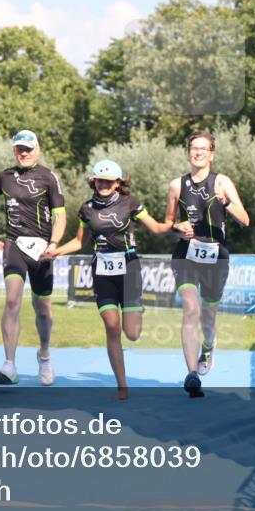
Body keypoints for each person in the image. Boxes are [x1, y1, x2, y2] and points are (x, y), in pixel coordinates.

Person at [46, 160, 172, 399]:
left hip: (129, 269)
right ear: (94, 181)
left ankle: (135, 310)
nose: (103, 184)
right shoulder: (86, 209)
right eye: (99, 180)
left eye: (108, 181)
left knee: (132, 333)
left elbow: (156, 228)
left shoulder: (131, 204)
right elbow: (78, 241)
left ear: (117, 183)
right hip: (102, 271)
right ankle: (122, 385)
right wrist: (55, 251)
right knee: (112, 327)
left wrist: (175, 225)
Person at [165, 130, 249, 397]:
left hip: (216, 257)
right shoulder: (176, 186)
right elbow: (168, 223)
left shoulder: (222, 182)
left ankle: (209, 346)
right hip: (185, 255)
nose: (198, 152)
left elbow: (245, 220)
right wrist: (178, 227)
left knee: (209, 314)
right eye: (194, 147)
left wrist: (226, 203)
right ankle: (191, 374)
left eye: (203, 148)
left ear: (212, 154)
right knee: (191, 307)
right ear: (188, 152)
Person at [0, 130, 65, 386]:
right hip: (14, 243)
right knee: (12, 298)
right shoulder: (4, 177)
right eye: (19, 149)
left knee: (43, 308)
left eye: (28, 149)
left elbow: (60, 215)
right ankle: (10, 364)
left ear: (37, 150)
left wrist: (54, 244)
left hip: (41, 249)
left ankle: (45, 355)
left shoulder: (48, 177)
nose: (24, 153)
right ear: (14, 151)